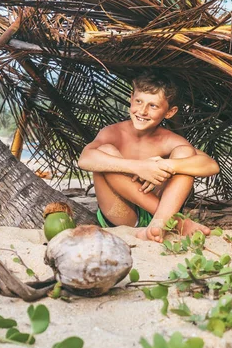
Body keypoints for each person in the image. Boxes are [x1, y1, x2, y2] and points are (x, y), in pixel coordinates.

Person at [77, 71, 220, 243]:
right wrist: (139, 167)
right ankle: (178, 222)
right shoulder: (113, 133)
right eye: (139, 101)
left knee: (185, 154)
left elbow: (211, 165)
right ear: (131, 98)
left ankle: (159, 222)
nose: (142, 111)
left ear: (170, 112)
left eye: (153, 106)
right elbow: (85, 159)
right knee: (105, 152)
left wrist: (165, 165)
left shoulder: (169, 140)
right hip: (123, 215)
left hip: (163, 213)